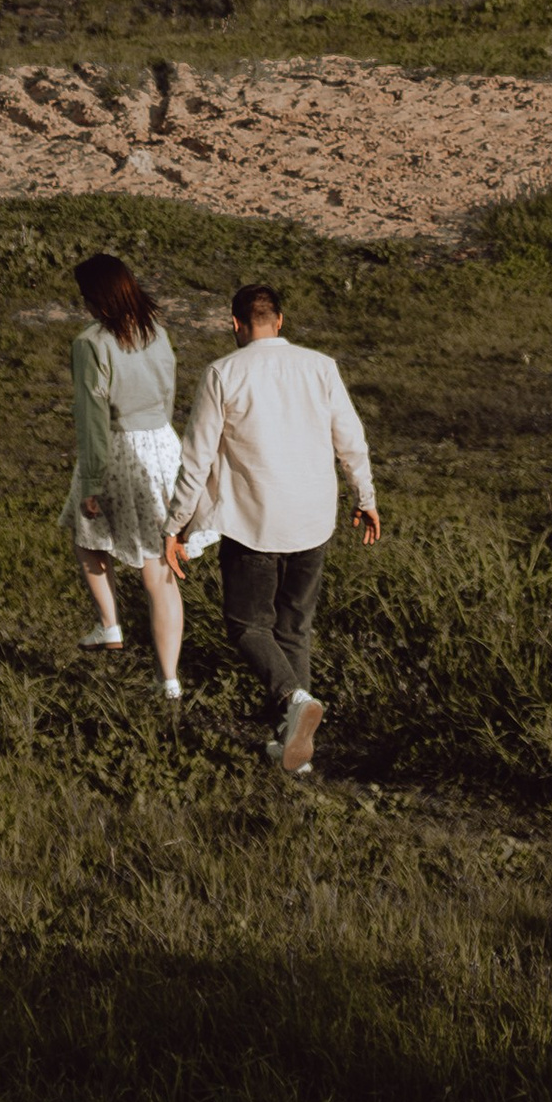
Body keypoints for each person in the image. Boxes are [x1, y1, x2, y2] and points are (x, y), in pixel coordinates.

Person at [163, 280, 378, 776]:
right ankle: (293, 750)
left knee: (246, 625)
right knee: (294, 626)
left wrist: (175, 525)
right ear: (279, 321)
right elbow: (351, 439)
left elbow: (195, 460)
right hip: (313, 518)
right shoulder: (321, 367)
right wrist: (364, 497)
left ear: (235, 325)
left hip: (253, 521)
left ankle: (293, 698)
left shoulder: (222, 373)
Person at [63, 249, 189, 699]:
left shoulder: (90, 343)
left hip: (117, 447)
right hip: (162, 443)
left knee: (87, 537)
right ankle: (169, 680)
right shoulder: (156, 333)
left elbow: (91, 417)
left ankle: (110, 624)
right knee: (160, 569)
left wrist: (93, 481)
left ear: (96, 298)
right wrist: (162, 434)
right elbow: (171, 389)